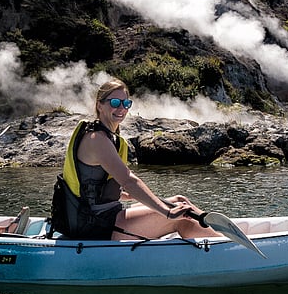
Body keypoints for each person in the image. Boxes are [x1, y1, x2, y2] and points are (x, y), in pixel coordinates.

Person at [52, 78, 218, 241]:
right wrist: (167, 213)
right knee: (179, 216)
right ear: (99, 105)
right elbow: (128, 179)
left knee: (179, 201)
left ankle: (220, 239)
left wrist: (125, 195)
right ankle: (227, 248)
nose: (121, 109)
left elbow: (94, 188)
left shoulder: (109, 137)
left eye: (126, 104)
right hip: (94, 224)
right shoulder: (97, 139)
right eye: (115, 103)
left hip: (102, 217)